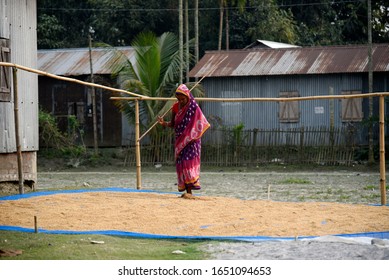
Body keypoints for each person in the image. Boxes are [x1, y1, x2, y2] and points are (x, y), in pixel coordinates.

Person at [158, 84, 210, 198]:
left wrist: (192, 134)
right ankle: (186, 190)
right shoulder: (175, 107)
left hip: (192, 141)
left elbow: (201, 122)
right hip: (180, 141)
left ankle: (189, 191)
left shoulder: (193, 107)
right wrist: (164, 123)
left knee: (188, 163)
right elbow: (173, 124)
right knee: (181, 164)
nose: (181, 101)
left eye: (183, 99)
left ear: (187, 96)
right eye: (179, 99)